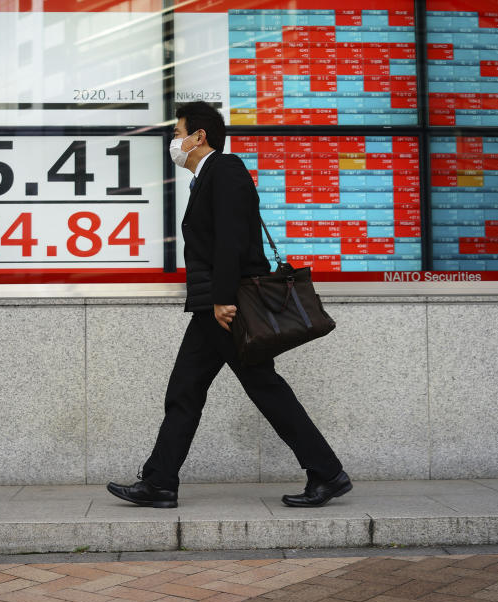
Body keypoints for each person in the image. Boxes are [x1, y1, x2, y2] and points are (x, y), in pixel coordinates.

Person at [106, 101, 350, 509]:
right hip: (213, 307)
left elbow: (231, 241)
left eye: (177, 131)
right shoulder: (206, 178)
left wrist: (221, 300)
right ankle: (160, 481)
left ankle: (325, 472)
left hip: (226, 308)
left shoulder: (226, 170)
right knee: (192, 390)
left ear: (199, 137)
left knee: (255, 390)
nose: (174, 141)